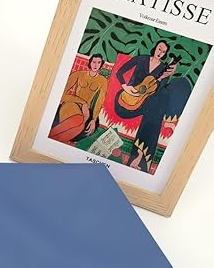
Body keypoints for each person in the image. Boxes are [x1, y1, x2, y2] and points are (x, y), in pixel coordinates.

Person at [114, 41, 191, 172]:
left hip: (145, 103)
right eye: (159, 48)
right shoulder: (141, 59)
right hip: (126, 101)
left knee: (178, 86)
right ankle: (142, 158)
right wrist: (125, 86)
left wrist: (163, 77)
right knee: (160, 101)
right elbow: (119, 72)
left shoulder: (163, 68)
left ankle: (137, 157)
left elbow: (157, 91)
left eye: (163, 52)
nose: (160, 52)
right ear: (155, 47)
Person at [50, 54, 108, 144]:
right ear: (90, 63)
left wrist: (93, 119)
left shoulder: (103, 81)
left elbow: (99, 102)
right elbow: (62, 94)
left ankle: (55, 137)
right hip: (73, 103)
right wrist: (82, 102)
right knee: (77, 120)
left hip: (88, 109)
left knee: (85, 127)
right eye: (94, 62)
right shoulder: (79, 74)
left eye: (99, 62)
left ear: (101, 64)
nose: (96, 65)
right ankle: (54, 137)